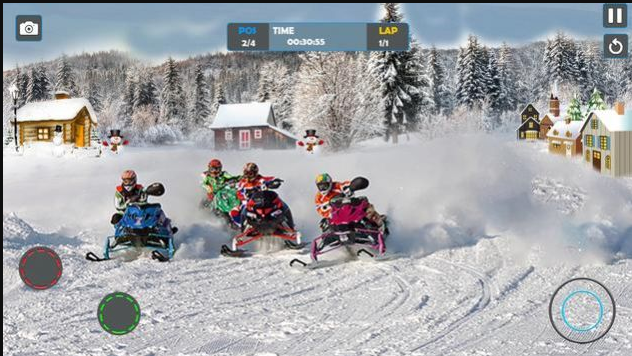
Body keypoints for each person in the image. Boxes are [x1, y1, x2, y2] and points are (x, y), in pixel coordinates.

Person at [230, 162, 293, 230]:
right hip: (249, 203)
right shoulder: (242, 183)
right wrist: (232, 186)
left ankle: (290, 225)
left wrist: (274, 181)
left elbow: (268, 180)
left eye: (250, 174)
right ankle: (243, 228)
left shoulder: (260, 179)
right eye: (246, 173)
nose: (248, 176)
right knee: (234, 211)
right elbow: (238, 191)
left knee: (282, 205)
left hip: (264, 201)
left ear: (255, 173)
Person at [313, 173, 385, 232]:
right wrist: (329, 213)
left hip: (348, 207)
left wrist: (350, 187)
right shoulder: (319, 197)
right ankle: (328, 239)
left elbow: (345, 185)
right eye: (320, 186)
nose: (322, 188)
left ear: (330, 183)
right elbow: (320, 209)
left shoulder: (337, 186)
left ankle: (379, 225)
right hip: (335, 214)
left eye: (324, 185)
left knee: (364, 202)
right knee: (324, 223)